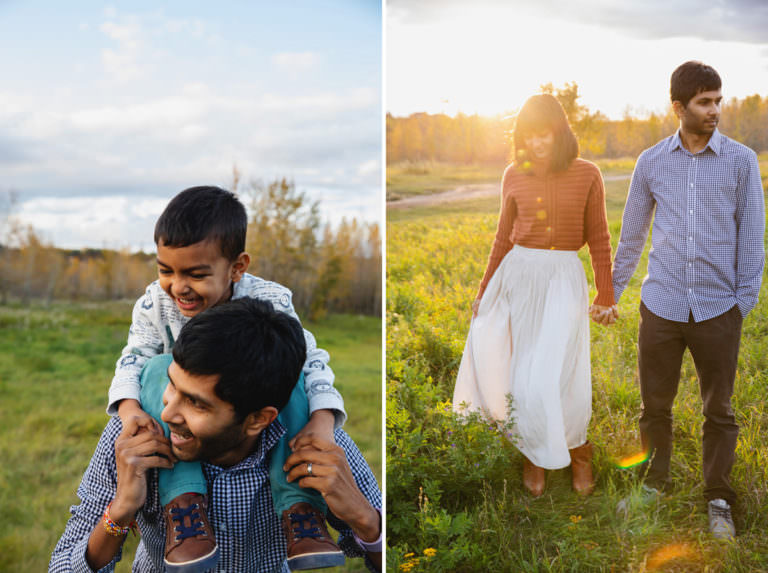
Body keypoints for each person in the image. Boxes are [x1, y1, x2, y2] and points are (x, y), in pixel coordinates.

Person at [106, 186, 349, 570]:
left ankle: (299, 508)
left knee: (292, 376)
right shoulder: (154, 304)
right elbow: (133, 359)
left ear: (237, 268)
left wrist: (322, 422)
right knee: (156, 368)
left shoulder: (271, 300)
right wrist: (130, 409)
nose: (178, 286)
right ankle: (183, 504)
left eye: (197, 274)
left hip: (256, 406)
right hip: (182, 423)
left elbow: (310, 361)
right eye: (166, 270)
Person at [49, 298, 382, 572]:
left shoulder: (316, 443)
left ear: (257, 420)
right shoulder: (136, 436)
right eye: (172, 386)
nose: (167, 414)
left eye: (195, 403)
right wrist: (120, 510)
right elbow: (61, 566)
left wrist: (365, 519)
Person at [612, 61, 765, 539]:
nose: (714, 110)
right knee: (654, 406)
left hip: (720, 308)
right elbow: (632, 235)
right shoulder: (651, 162)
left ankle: (718, 497)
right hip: (662, 305)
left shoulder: (740, 161)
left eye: (718, 100)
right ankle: (654, 484)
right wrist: (611, 293)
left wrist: (743, 301)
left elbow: (753, 237)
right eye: (704, 102)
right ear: (678, 107)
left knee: (719, 411)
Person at [452, 93, 617, 498]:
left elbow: (598, 237)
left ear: (561, 133)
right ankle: (534, 453)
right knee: (523, 373)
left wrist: (606, 294)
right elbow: (501, 238)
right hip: (519, 278)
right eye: (528, 136)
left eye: (544, 134)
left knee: (562, 371)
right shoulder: (512, 174)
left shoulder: (587, 173)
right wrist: (483, 290)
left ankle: (579, 451)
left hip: (562, 278)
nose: (536, 143)